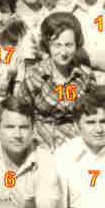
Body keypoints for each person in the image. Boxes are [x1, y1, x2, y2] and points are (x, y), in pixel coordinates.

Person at [17, 11, 96, 150]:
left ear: (77, 44)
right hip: (42, 144)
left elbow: (92, 114)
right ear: (47, 45)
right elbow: (22, 114)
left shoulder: (85, 76)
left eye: (68, 45)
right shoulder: (34, 76)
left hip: (78, 144)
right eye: (57, 45)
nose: (63, 52)